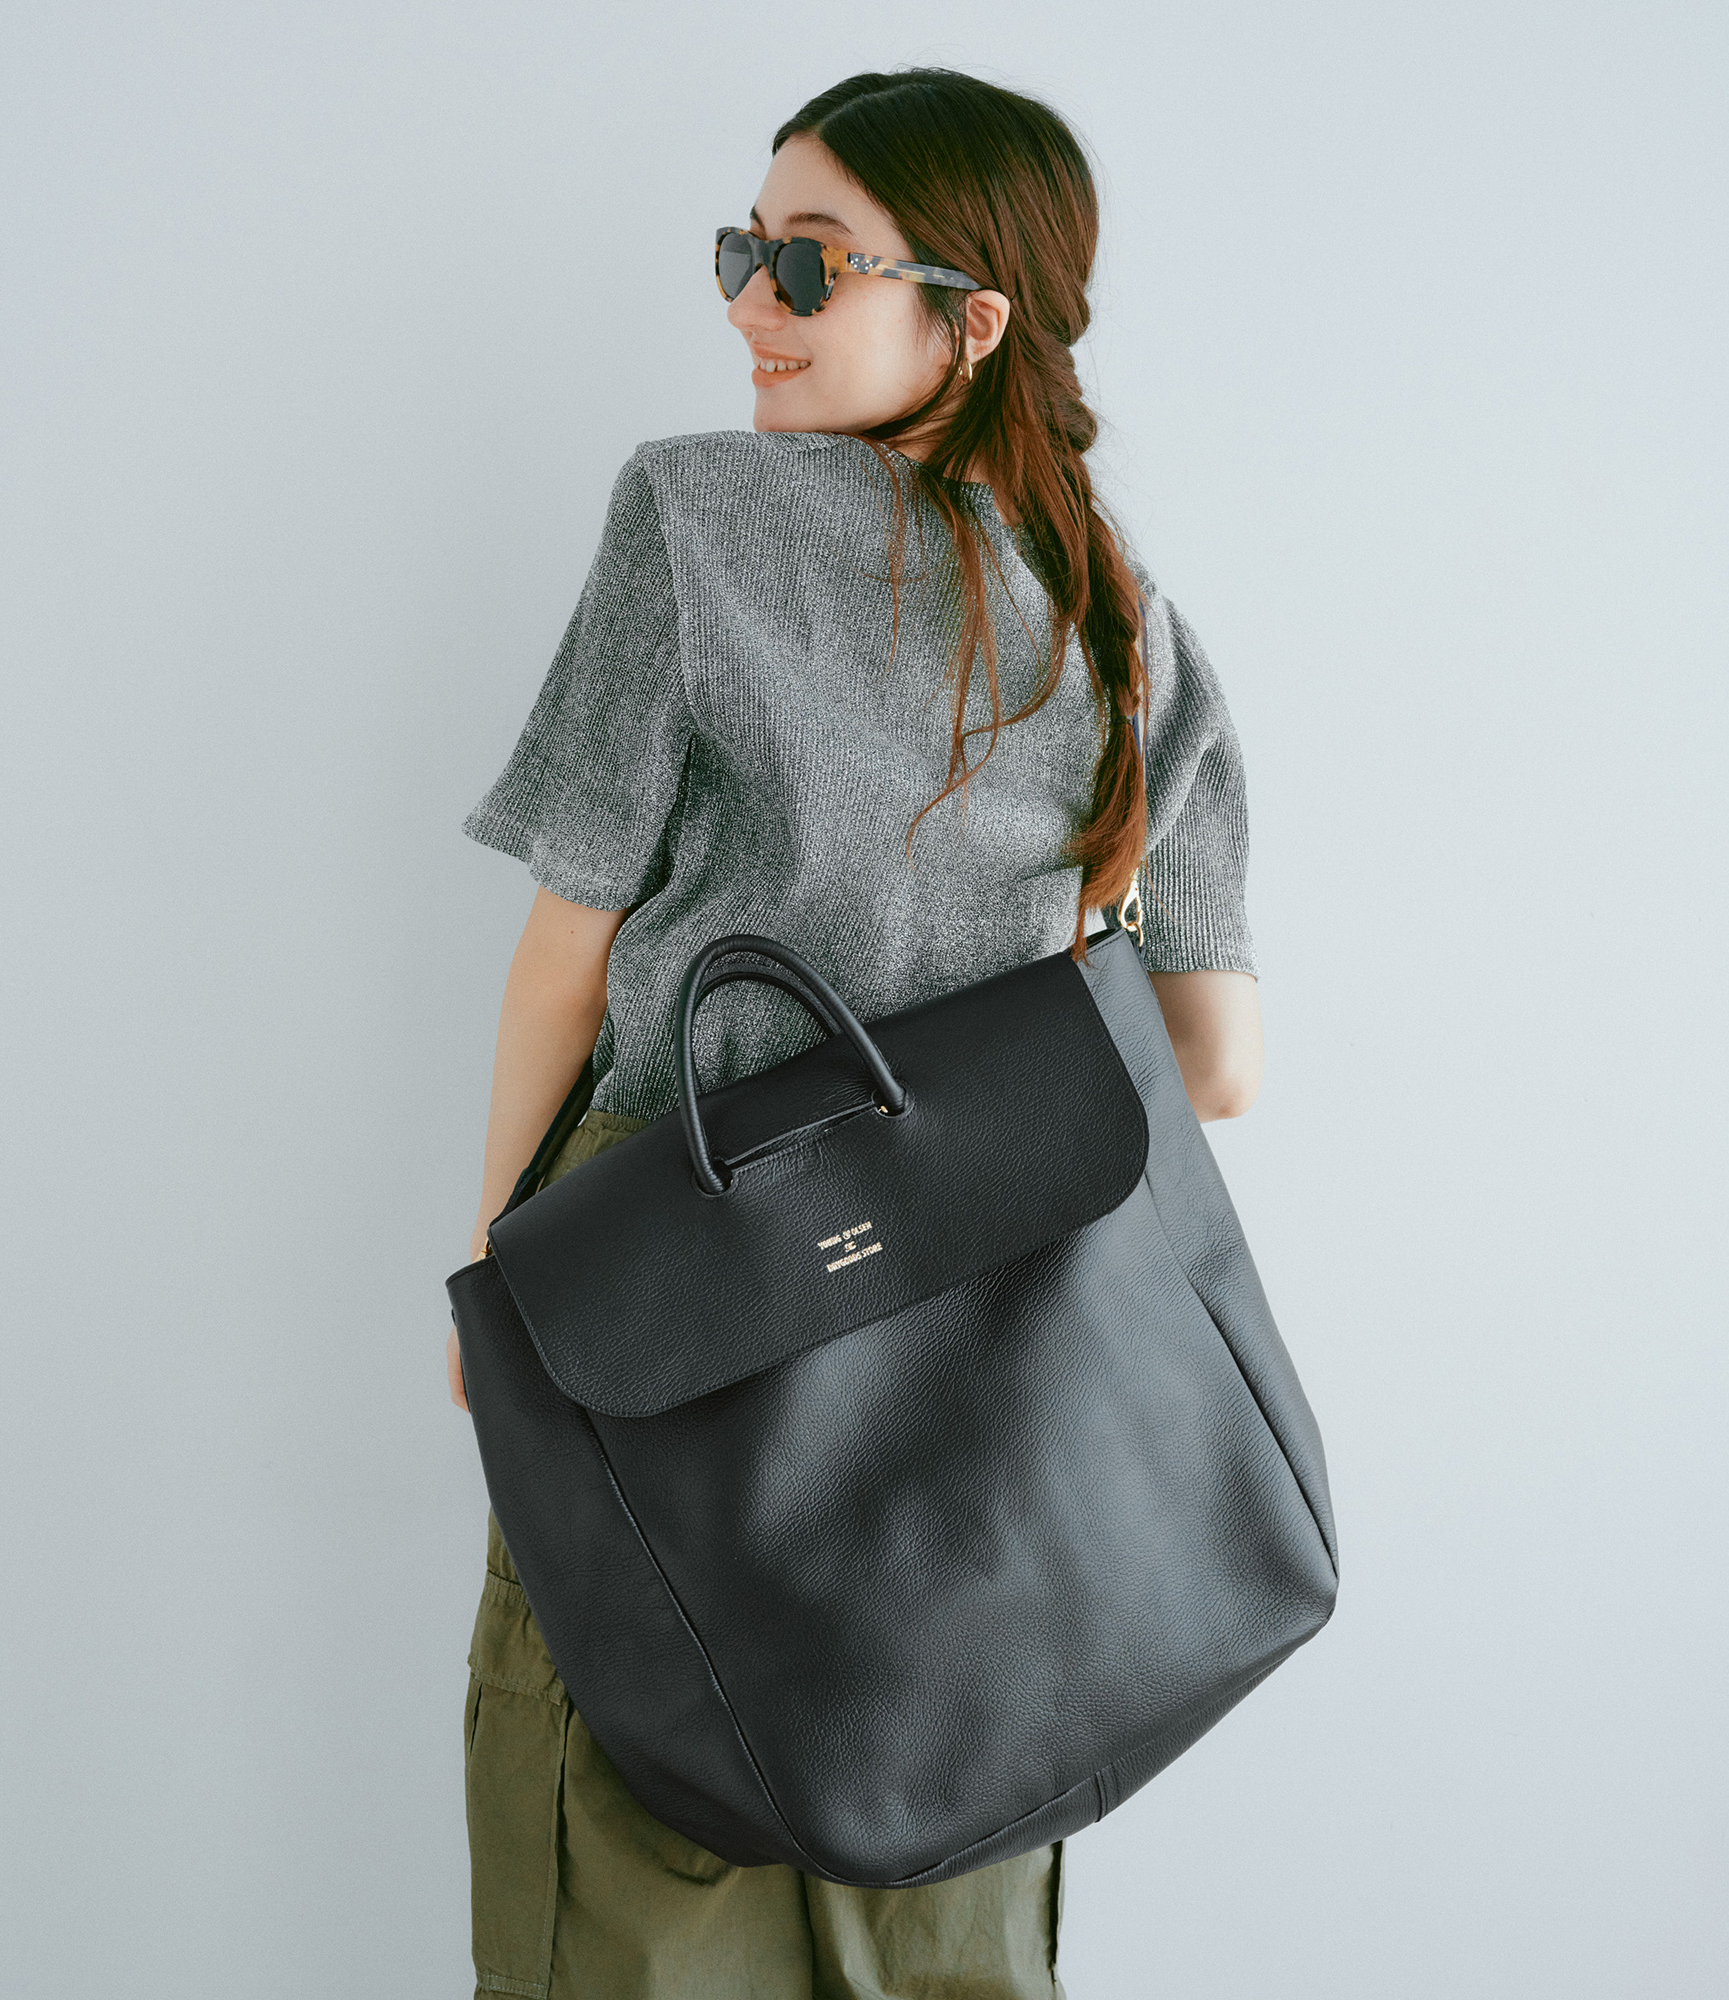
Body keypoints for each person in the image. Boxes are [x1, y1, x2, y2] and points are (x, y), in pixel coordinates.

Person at [447, 67, 1263, 2000]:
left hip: (672, 1266)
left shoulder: (694, 516)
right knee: (945, 1842)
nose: (753, 300)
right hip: (982, 1322)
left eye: (807, 265)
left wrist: (496, 1280)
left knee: (626, 1829)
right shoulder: (1121, 612)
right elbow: (1219, 1066)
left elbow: (568, 958)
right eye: (744, 252)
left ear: (971, 319)